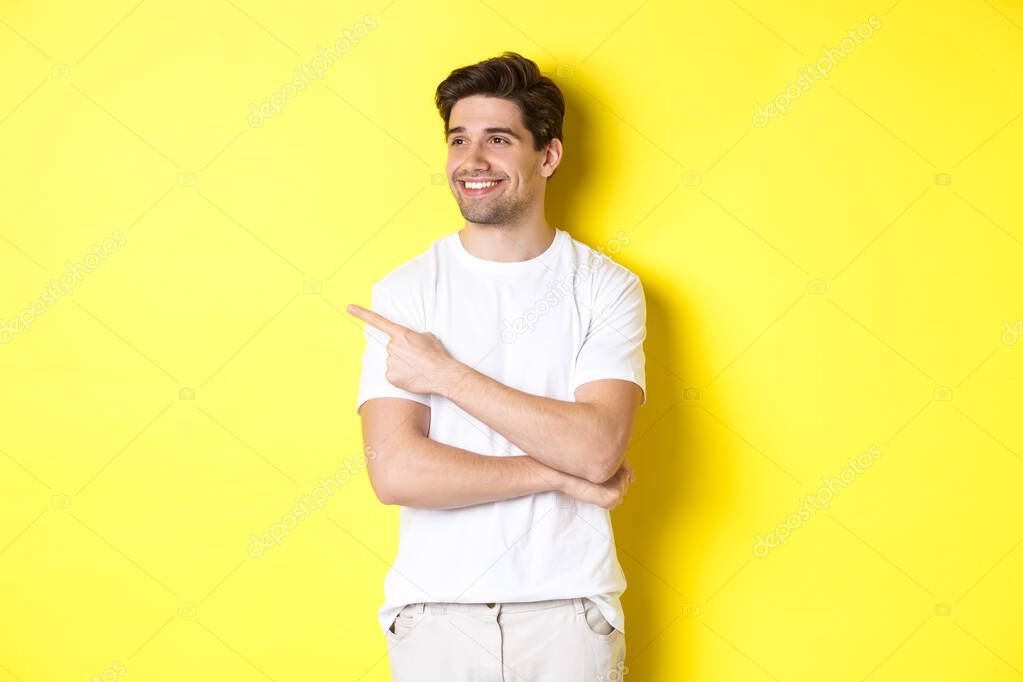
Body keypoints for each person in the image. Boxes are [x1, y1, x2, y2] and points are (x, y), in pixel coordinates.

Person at [348, 50, 646, 682]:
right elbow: (395, 471)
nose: (471, 162)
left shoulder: (605, 288)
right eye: (458, 140)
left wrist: (446, 375)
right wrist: (558, 475)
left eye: (498, 139)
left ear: (549, 156)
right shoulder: (407, 291)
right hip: (435, 614)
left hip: (569, 614)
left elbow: (596, 450)